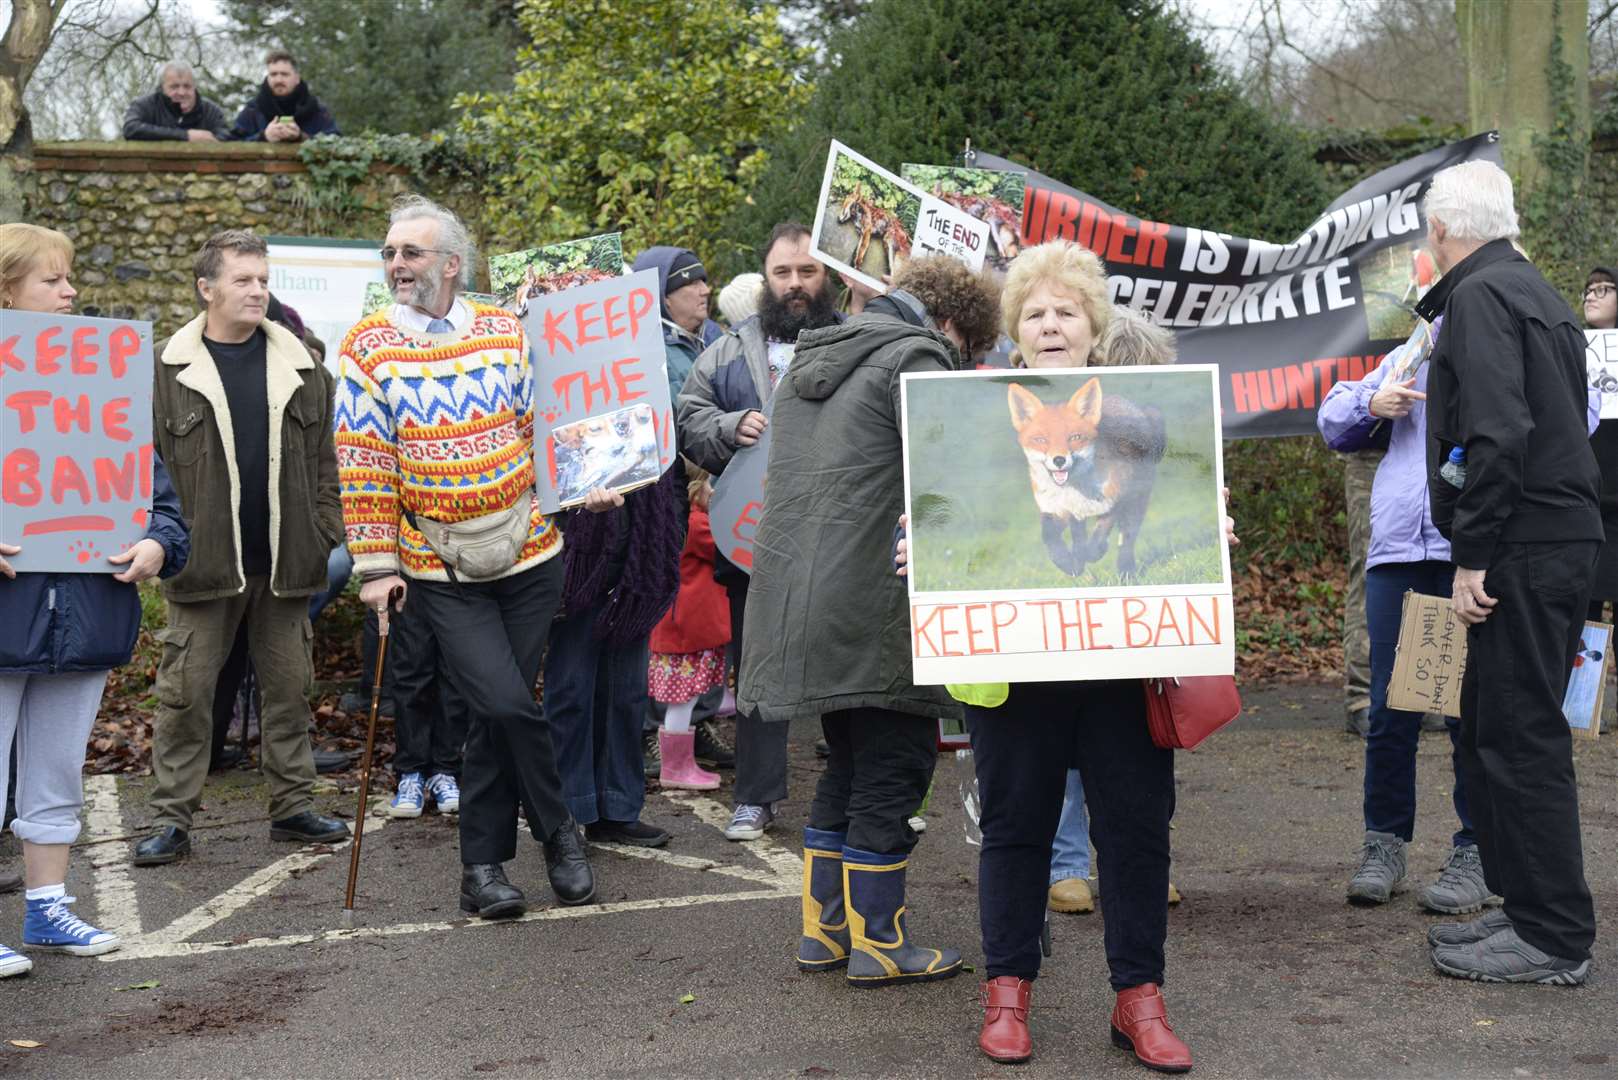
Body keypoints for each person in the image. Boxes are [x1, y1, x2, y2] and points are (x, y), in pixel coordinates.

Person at [943, 241, 1232, 1070]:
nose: (1051, 323)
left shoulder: (1141, 413)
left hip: (1121, 671)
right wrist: (916, 553)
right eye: (1034, 312)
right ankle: (1008, 994)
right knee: (1015, 828)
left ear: (1093, 324)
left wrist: (1211, 533)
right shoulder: (964, 411)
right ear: (1015, 331)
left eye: (1066, 310)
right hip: (1015, 674)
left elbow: (1187, 506)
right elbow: (947, 518)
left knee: (1136, 831)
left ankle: (1139, 998)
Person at [738, 255, 1002, 991]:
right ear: (953, 323)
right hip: (880, 600)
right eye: (969, 346)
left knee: (847, 764)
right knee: (895, 769)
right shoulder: (918, 358)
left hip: (803, 599)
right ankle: (880, 943)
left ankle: (824, 933)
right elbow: (954, 478)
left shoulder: (811, 361)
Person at [335, 195, 593, 918]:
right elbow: (363, 464)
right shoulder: (367, 347)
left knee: (493, 714)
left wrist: (587, 481)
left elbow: (539, 425)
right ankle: (560, 832)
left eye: (410, 253)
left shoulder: (506, 330)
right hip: (437, 566)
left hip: (531, 554)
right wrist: (377, 565)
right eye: (389, 254)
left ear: (452, 264)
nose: (396, 266)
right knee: (506, 702)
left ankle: (481, 871)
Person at [1415, 161, 1601, 985]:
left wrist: (1473, 556)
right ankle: (1527, 909)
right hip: (1553, 540)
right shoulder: (1540, 293)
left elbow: (1496, 435)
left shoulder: (1481, 296)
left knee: (1520, 735)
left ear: (1441, 232)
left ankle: (1554, 937)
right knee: (1498, 725)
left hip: (1520, 546)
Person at [0, 223, 189, 977]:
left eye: (70, 277)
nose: (71, 291)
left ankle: (47, 910)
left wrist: (156, 545)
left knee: (55, 772)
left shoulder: (102, 387)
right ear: (7, 290)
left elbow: (163, 507)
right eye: (52, 280)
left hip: (82, 621)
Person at [134, 230, 349, 868]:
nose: (258, 290)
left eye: (263, 279)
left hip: (287, 564)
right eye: (242, 280)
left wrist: (323, 531)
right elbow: (139, 465)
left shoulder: (305, 362)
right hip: (201, 564)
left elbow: (327, 467)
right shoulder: (160, 368)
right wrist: (161, 540)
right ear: (207, 289)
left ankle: (292, 807)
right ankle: (172, 818)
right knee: (185, 695)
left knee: (290, 690)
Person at [1319, 315, 1489, 915]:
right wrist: (1374, 399)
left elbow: (1583, 412)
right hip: (1397, 551)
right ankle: (1383, 846)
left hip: (1468, 551)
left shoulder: (1504, 343)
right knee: (1394, 707)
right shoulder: (1413, 351)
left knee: (1471, 710)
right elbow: (1332, 419)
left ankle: (1477, 849)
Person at [678, 222, 843, 841]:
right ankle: (755, 797)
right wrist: (728, 427)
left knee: (842, 665)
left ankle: (856, 793)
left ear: (826, 276)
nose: (795, 284)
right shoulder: (727, 348)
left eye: (807, 271)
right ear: (766, 278)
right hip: (752, 541)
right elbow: (688, 416)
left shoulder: (857, 340)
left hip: (839, 536)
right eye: (783, 273)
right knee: (758, 671)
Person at [1047, 307, 1187, 919]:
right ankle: (1068, 863)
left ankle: (1142, 859)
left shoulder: (1150, 427)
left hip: (1137, 616)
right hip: (1072, 612)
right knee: (1071, 735)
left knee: (1144, 733)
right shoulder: (1076, 422)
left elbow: (1154, 490)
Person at [543, 462, 683, 849]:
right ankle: (564, 815)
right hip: (576, 560)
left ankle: (617, 810)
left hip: (638, 562)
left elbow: (677, 459)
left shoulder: (654, 404)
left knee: (626, 694)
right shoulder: (551, 400)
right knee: (570, 693)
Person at [647, 464, 730, 791]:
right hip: (688, 630)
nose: (713, 493)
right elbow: (723, 547)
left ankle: (679, 763)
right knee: (682, 701)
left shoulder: (680, 519)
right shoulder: (697, 524)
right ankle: (676, 767)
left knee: (685, 698)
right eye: (709, 487)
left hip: (683, 627)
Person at [632, 246, 724, 405]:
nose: (705, 290)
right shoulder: (652, 355)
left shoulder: (714, 334)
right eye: (692, 283)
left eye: (703, 281)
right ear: (663, 296)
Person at [1582, 266, 1618, 625]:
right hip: (1586, 503)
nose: (1591, 296)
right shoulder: (1569, 347)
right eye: (1588, 290)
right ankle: (1581, 686)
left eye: (1603, 289)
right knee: (1583, 613)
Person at [229, 49, 339, 143]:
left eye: (284, 74)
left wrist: (301, 137)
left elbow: (336, 142)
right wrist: (264, 137)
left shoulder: (317, 109)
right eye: (273, 74)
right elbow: (231, 144)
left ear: (296, 78)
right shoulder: (253, 110)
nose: (278, 80)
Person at [123, 61, 231, 142]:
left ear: (195, 87)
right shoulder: (144, 105)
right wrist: (186, 136)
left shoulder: (211, 110)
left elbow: (225, 137)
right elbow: (131, 129)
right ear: (162, 87)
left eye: (187, 86)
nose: (182, 92)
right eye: (174, 87)